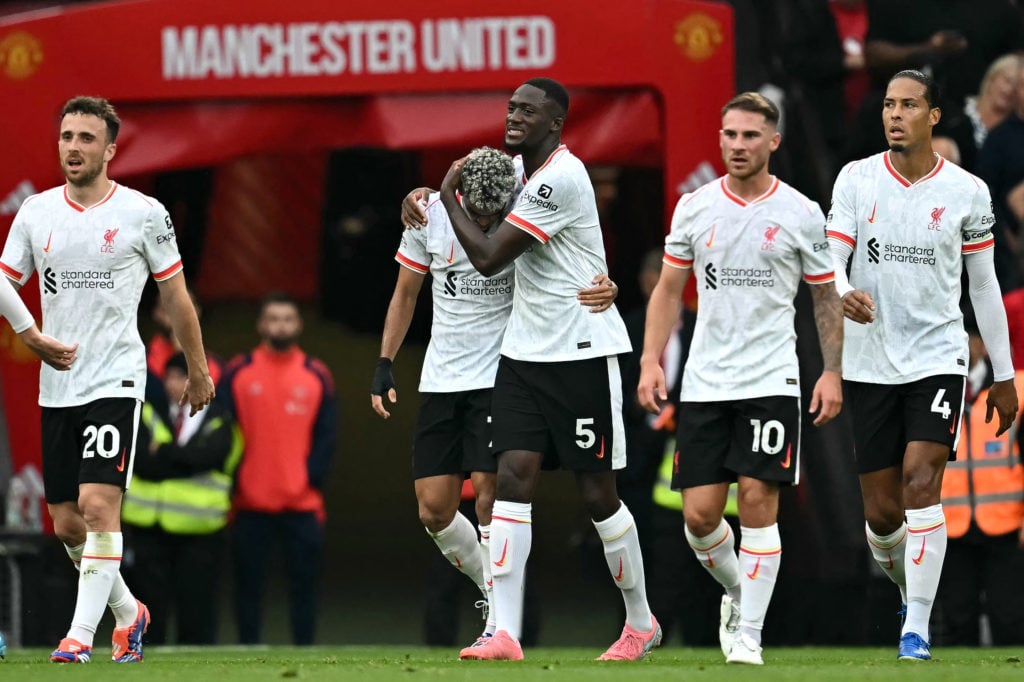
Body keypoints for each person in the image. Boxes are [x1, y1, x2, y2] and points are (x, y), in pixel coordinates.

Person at [424, 77, 659, 661]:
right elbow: (473, 196)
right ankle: (505, 630)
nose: (514, 117)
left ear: (555, 122)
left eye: (528, 111)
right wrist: (422, 197)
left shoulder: (560, 175)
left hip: (580, 352)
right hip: (524, 356)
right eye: (511, 107)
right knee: (511, 482)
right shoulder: (514, 173)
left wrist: (445, 200)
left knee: (599, 495)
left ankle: (640, 621)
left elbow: (487, 256)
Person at [374, 146, 617, 652]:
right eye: (477, 213)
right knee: (434, 510)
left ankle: (498, 622)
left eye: (493, 215)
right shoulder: (429, 215)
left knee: (491, 495)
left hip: (503, 374)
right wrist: (384, 362)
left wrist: (606, 284)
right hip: (442, 379)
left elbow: (575, 254)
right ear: (459, 195)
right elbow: (404, 293)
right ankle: (494, 590)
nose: (485, 224)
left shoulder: (526, 206)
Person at [0, 96, 215, 663]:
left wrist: (197, 368)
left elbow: (176, 296)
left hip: (116, 379)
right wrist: (31, 334)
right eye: (67, 136)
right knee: (69, 524)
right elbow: (3, 280)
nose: (74, 147)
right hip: (59, 385)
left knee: (99, 506)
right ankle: (129, 612)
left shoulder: (144, 213)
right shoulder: (36, 212)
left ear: (110, 150)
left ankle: (78, 637)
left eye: (87, 138)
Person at [637, 91, 844, 665]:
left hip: (771, 381)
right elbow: (669, 291)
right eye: (729, 135)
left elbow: (826, 299)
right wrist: (652, 360)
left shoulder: (801, 212)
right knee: (700, 519)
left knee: (757, 500)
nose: (737, 145)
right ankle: (739, 591)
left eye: (750, 136)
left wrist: (832, 372)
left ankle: (748, 630)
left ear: (773, 142)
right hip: (704, 383)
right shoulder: (696, 207)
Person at [826, 69, 1019, 661]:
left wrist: (1007, 376)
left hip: (937, 356)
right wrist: (840, 288)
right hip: (869, 360)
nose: (895, 114)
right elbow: (832, 255)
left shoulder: (967, 191)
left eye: (909, 104)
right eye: (888, 104)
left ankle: (916, 629)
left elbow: (983, 288)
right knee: (883, 514)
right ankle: (913, 586)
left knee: (919, 481)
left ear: (934, 115)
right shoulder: (856, 179)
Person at [218, 292, 336, 645]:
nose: (279, 325)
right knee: (247, 588)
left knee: (305, 587)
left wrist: (309, 480)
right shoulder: (238, 371)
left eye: (287, 318)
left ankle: (306, 653)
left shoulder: (317, 374)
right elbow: (221, 432)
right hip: (249, 504)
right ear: (260, 324)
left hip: (302, 506)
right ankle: (246, 652)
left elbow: (327, 436)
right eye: (272, 318)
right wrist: (236, 482)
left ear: (298, 324)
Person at [121, 352, 242, 645]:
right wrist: (185, 462)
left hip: (201, 532)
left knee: (196, 608)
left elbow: (210, 458)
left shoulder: (220, 420)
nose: (180, 384)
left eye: (189, 377)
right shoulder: (146, 413)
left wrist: (162, 451)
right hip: (150, 528)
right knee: (149, 608)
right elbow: (143, 465)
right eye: (174, 376)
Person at [936, 328, 1024, 645]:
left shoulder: (1017, 389)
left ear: (981, 343)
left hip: (1006, 524)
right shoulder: (934, 391)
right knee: (957, 619)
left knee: (1011, 617)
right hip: (951, 527)